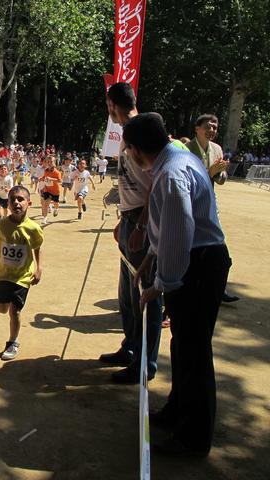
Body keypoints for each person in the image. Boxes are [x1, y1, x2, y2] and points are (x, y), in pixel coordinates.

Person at [125, 112, 231, 457]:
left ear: (137, 150)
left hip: (198, 265)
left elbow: (179, 232)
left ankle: (193, 438)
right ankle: (178, 410)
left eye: (128, 149)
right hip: (195, 261)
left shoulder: (171, 173)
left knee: (194, 352)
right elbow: (167, 225)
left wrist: (161, 284)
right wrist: (149, 257)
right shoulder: (176, 161)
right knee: (184, 345)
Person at [100, 82, 162, 384]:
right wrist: (124, 219)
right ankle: (130, 347)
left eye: (108, 105)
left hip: (142, 221)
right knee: (126, 292)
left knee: (145, 293)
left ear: (113, 105)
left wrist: (140, 224)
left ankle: (145, 363)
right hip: (129, 218)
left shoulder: (141, 131)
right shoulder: (126, 134)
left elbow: (155, 183)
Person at [0, 186, 43, 360]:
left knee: (14, 311)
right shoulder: (1, 224)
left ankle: (12, 342)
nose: (16, 202)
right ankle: (5, 306)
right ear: (8, 204)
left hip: (22, 276)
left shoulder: (33, 228)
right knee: (2, 309)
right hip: (2, 274)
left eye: (20, 199)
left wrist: (39, 268)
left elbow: (37, 247)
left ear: (29, 203)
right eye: (13, 200)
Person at [186, 114, 239, 303]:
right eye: (208, 127)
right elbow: (187, 180)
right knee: (188, 248)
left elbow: (220, 179)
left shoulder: (216, 149)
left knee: (217, 245)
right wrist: (209, 173)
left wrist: (221, 173)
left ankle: (218, 287)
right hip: (189, 206)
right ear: (197, 128)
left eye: (215, 128)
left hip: (209, 204)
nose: (212, 130)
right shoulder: (186, 150)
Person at [39, 155, 62, 226]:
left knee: (56, 203)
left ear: (54, 162)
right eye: (48, 162)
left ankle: (56, 209)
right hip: (47, 190)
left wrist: (51, 179)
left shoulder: (57, 172)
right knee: (46, 203)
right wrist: (41, 178)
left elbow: (59, 181)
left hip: (55, 191)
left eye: (51, 162)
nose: (49, 163)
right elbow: (45, 177)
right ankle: (45, 218)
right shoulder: (46, 170)